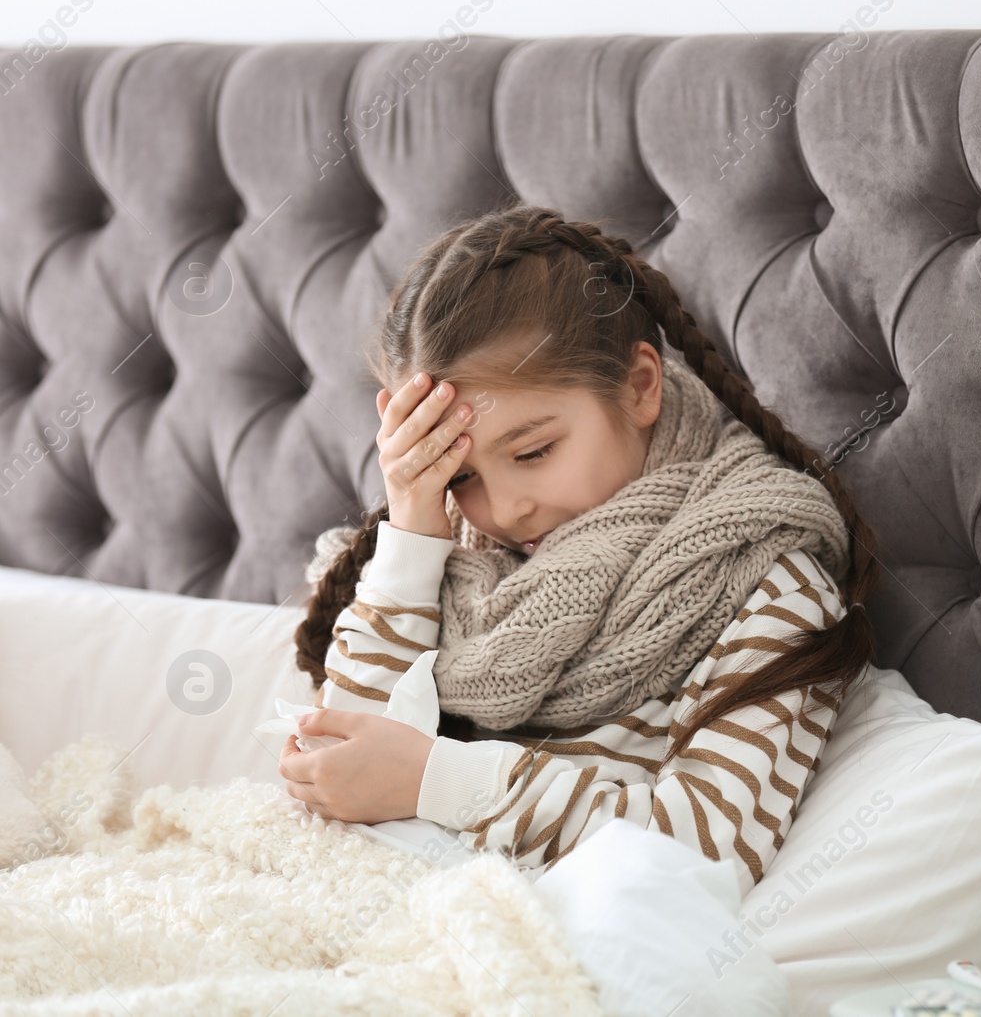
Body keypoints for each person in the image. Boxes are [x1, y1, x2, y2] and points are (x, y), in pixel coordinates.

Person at [279, 204, 881, 897]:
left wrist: (434, 779)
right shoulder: (449, 558)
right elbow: (342, 762)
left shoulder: (763, 579)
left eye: (534, 450)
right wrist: (415, 525)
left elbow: (701, 851)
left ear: (640, 386)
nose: (505, 510)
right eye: (463, 474)